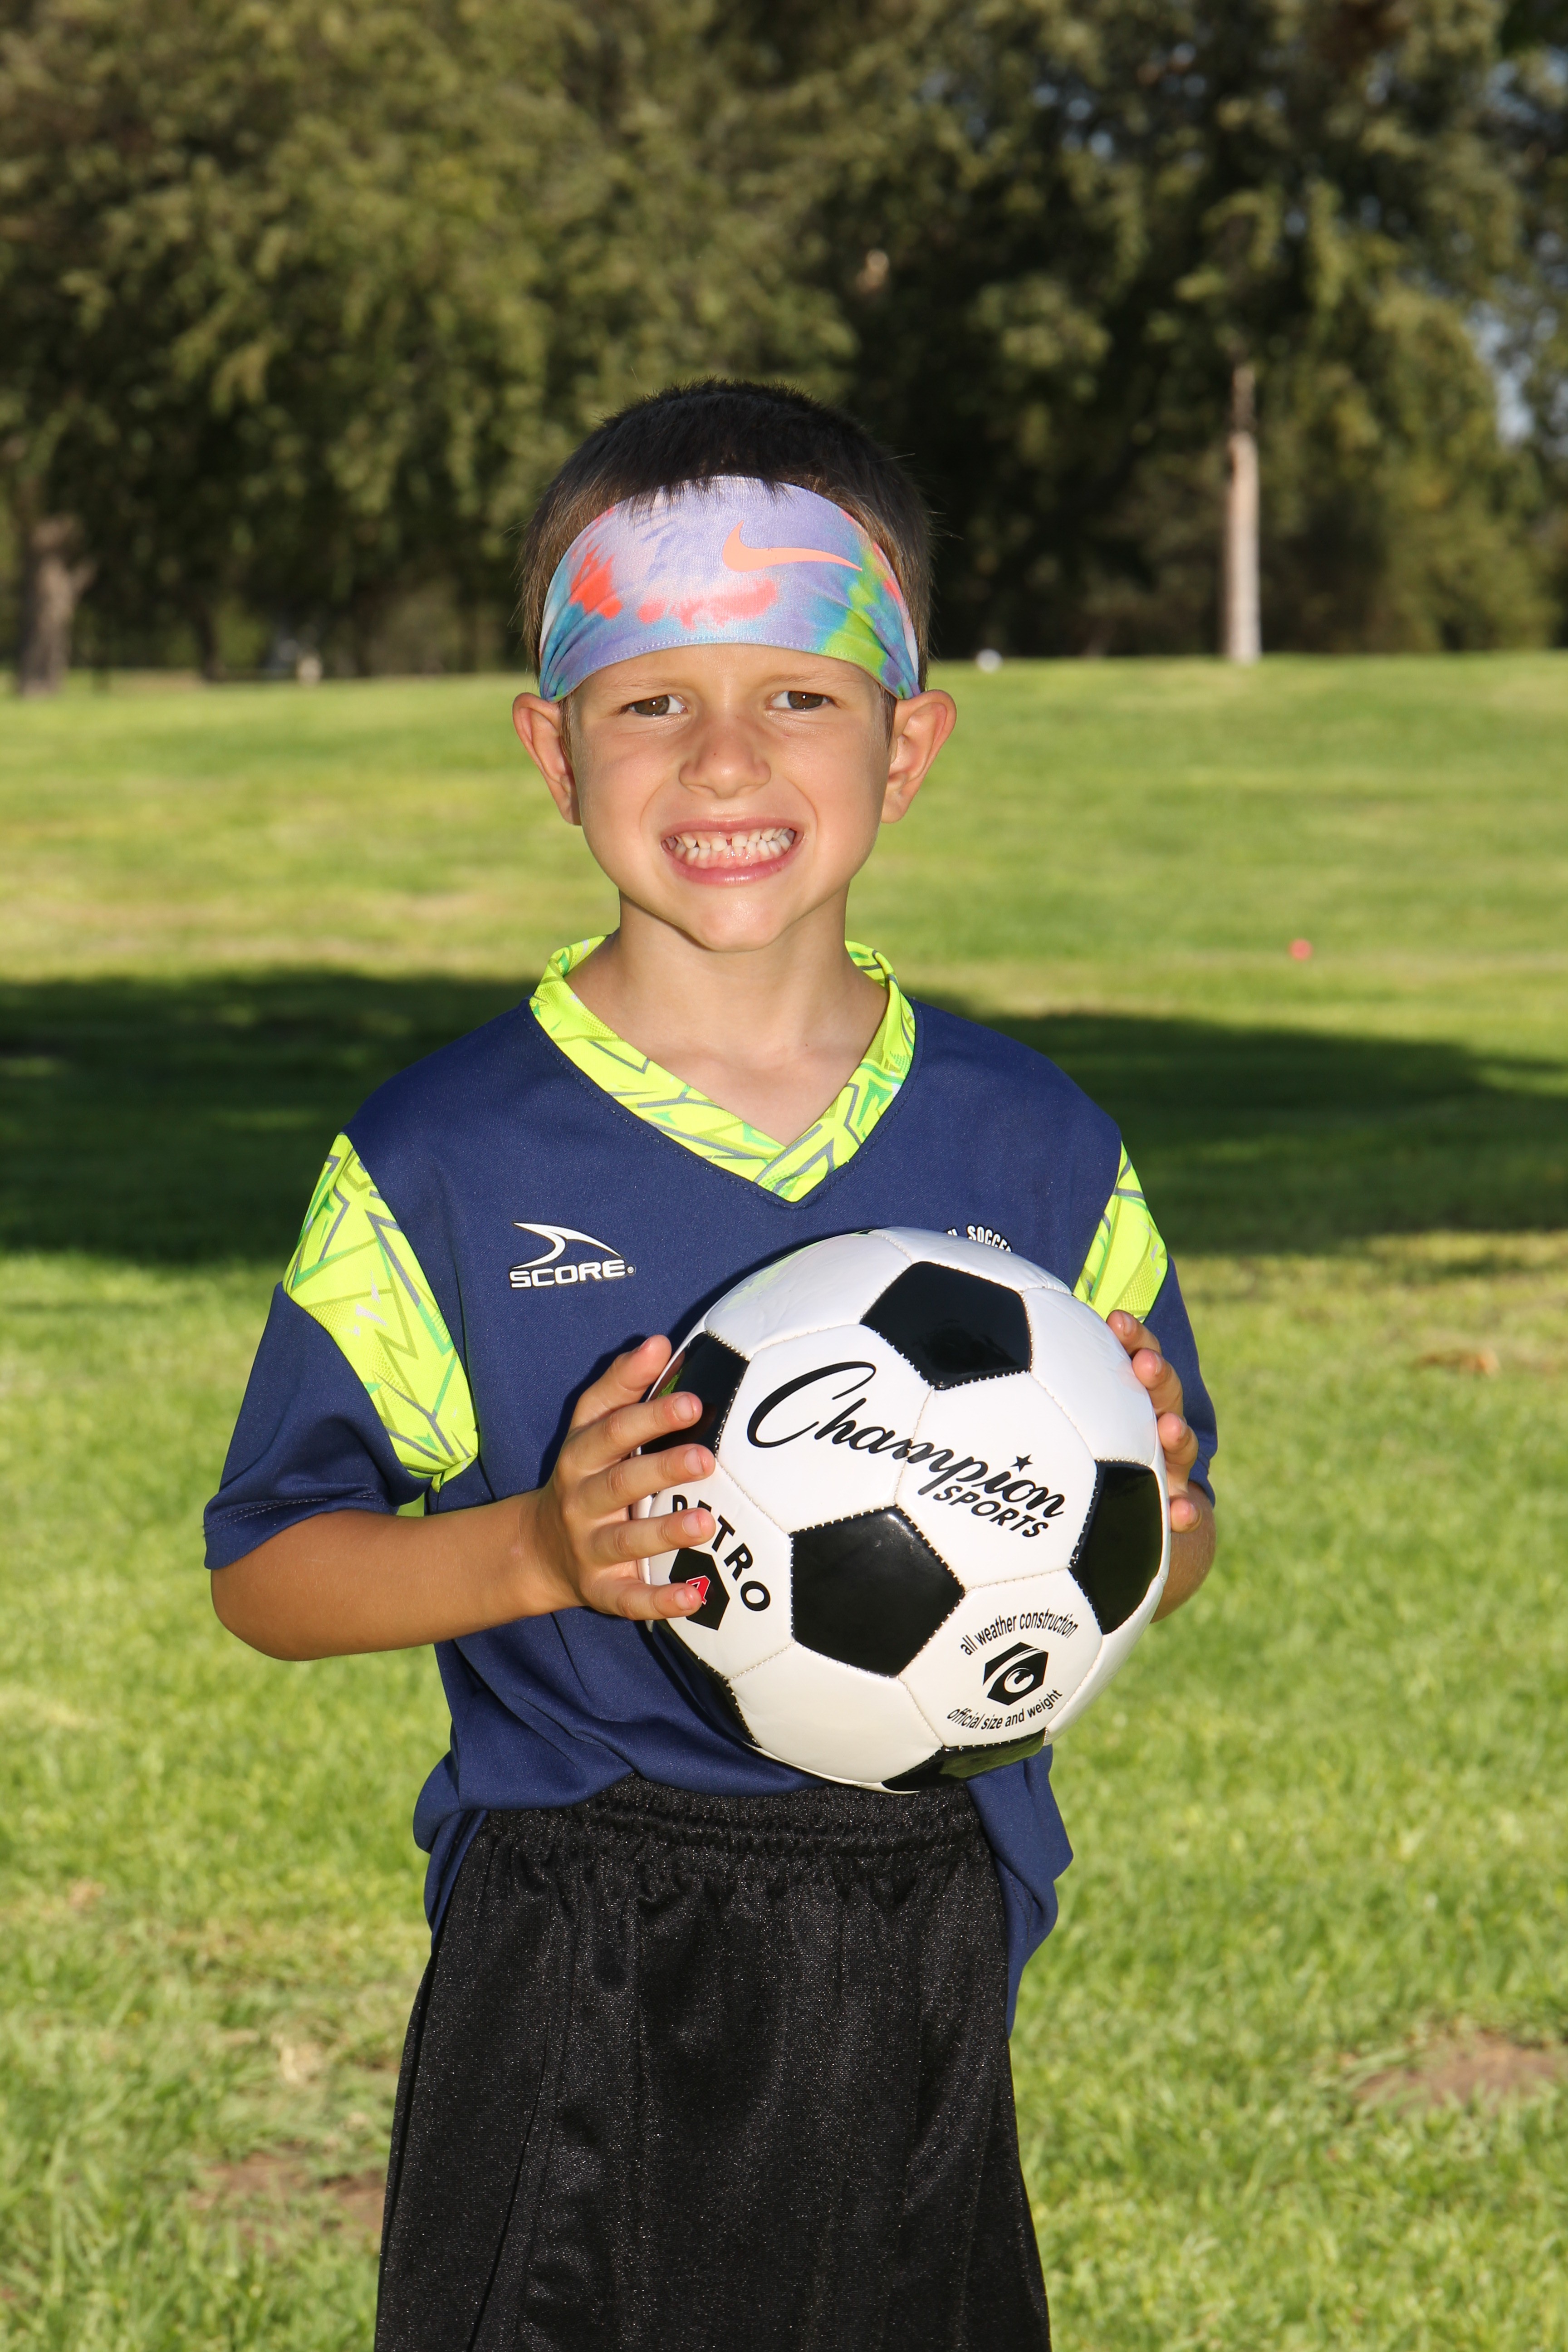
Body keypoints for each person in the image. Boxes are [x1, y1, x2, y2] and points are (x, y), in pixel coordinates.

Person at [206, 379, 1217, 2352]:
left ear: (908, 743)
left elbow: (1163, 1559)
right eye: (654, 698)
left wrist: (1149, 1508)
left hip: (927, 1922)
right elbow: (270, 1571)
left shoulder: (1036, 1149)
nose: (726, 755)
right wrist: (535, 1551)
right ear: (553, 745)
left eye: (801, 696)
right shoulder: (444, 1160)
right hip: (576, 1943)